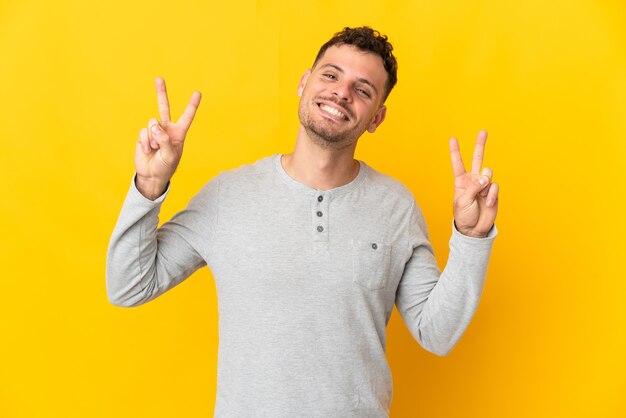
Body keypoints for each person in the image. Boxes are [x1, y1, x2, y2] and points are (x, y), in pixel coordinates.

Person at [106, 26, 499, 417]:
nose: (341, 93)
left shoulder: (396, 207)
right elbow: (129, 285)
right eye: (330, 75)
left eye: (362, 90)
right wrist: (150, 184)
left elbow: (437, 332)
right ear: (304, 82)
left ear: (376, 118)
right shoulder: (229, 196)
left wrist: (472, 237)